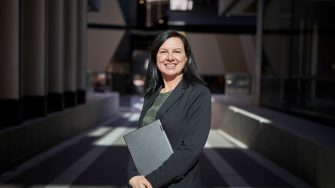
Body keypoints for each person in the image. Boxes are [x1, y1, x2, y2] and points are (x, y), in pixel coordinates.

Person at [127, 30, 212, 188]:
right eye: (163, 51)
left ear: (186, 58)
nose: (170, 57)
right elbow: (140, 141)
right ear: (155, 57)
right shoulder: (151, 94)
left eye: (177, 51)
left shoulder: (199, 94)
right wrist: (132, 175)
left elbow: (190, 149)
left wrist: (152, 180)